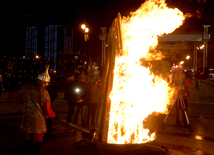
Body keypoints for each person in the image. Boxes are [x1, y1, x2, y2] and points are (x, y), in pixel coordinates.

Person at [13, 66, 56, 155]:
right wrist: (54, 115)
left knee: (27, 136)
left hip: (27, 118)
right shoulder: (44, 92)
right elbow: (47, 110)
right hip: (38, 121)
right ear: (43, 82)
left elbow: (16, 95)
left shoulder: (26, 87)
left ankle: (26, 150)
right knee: (37, 139)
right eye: (47, 83)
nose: (47, 85)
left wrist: (23, 102)